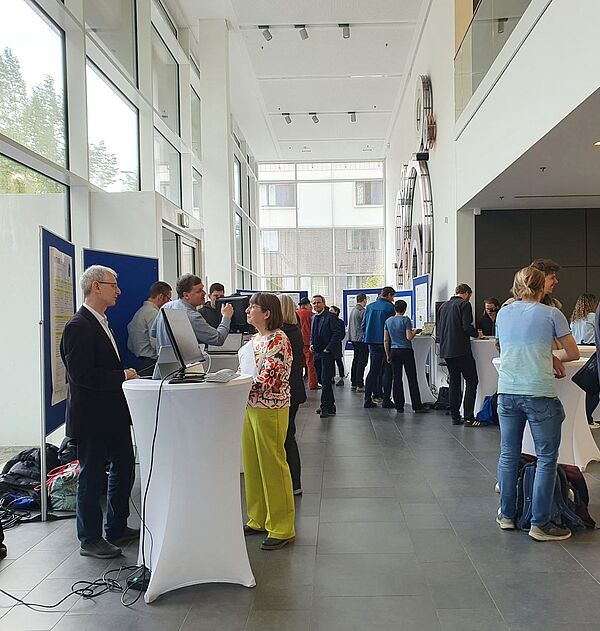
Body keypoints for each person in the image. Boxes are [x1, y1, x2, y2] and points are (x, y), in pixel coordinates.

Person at [495, 266, 580, 541]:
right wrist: (551, 357)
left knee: (509, 454)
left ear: (516, 286)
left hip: (507, 391)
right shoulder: (551, 313)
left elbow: (502, 346)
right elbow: (572, 352)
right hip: (539, 393)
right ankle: (540, 523)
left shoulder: (503, 313)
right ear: (542, 287)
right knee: (546, 458)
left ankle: (506, 515)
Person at [60, 265, 139, 559]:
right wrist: (123, 376)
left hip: (112, 413)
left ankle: (116, 526)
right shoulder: (78, 326)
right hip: (92, 417)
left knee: (124, 465)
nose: (118, 290)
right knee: (92, 476)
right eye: (113, 285)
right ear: (96, 286)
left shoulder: (101, 322)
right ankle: (90, 538)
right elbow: (83, 376)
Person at [242, 292, 295, 550]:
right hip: (250, 407)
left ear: (267, 313)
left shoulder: (278, 340)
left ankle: (282, 527)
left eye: (254, 307)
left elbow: (269, 379)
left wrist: (238, 383)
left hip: (271, 407)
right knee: (252, 464)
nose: (248, 310)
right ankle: (258, 518)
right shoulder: (255, 340)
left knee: (273, 465)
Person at [437, 283, 480, 426]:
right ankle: (469, 417)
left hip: (447, 350)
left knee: (455, 382)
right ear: (467, 293)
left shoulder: (443, 307)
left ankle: (455, 416)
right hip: (461, 349)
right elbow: (467, 327)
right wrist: (477, 334)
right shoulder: (464, 305)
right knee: (472, 380)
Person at [153, 274, 233, 348]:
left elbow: (153, 333)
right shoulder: (192, 316)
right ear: (186, 295)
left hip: (162, 361)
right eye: (199, 291)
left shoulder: (166, 307)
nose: (204, 293)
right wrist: (226, 317)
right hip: (182, 362)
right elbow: (218, 339)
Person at [279, 294, 306, 495]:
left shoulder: (281, 335)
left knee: (286, 437)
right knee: (290, 436)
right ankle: (294, 482)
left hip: (286, 391)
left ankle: (291, 481)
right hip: (295, 390)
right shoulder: (294, 331)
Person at [384, 299, 428, 414]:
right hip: (406, 351)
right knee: (412, 378)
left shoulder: (388, 321)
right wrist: (415, 331)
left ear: (395, 309)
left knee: (397, 379)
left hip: (394, 350)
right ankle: (417, 406)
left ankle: (399, 406)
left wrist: (388, 354)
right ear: (405, 309)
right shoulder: (406, 320)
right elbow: (409, 337)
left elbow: (385, 340)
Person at [310, 295, 344, 419]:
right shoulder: (313, 318)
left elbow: (337, 334)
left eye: (318, 302)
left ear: (323, 303)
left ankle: (325, 406)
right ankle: (331, 405)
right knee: (320, 379)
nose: (316, 305)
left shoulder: (331, 317)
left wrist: (328, 348)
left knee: (325, 380)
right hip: (317, 353)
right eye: (314, 303)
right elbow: (312, 333)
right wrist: (311, 344)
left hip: (327, 354)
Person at [362, 287, 396, 409]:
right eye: (393, 296)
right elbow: (392, 326)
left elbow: (363, 325)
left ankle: (367, 399)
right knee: (387, 371)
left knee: (373, 370)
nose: (393, 299)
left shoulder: (370, 307)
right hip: (386, 343)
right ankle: (386, 400)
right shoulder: (390, 308)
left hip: (372, 342)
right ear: (389, 295)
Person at [126, 281, 172, 371]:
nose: (169, 302)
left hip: (141, 361)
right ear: (161, 297)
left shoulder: (140, 312)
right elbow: (157, 343)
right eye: (169, 299)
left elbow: (130, 345)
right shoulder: (154, 314)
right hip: (151, 363)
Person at [571, 293, 600, 428]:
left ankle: (583, 418)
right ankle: (588, 417)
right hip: (592, 354)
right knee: (593, 388)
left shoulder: (574, 320)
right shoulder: (593, 317)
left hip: (578, 353)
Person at [348, 293, 369, 392]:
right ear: (364, 300)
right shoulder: (362, 311)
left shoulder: (353, 310)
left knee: (356, 360)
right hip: (361, 339)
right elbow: (365, 325)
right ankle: (360, 384)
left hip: (354, 338)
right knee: (362, 361)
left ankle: (354, 382)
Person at [296, 297, 318, 390]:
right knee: (310, 364)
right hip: (308, 342)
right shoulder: (311, 315)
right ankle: (312, 384)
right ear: (307, 305)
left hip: (297, 341)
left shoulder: (295, 313)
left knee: (298, 364)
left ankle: (298, 385)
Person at [329, 305, 346, 386]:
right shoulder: (328, 320)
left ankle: (341, 377)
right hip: (330, 344)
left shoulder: (340, 322)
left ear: (336, 312)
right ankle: (331, 377)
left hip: (337, 344)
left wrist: (338, 339)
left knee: (339, 361)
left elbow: (342, 333)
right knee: (331, 361)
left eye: (332, 310)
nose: (330, 312)